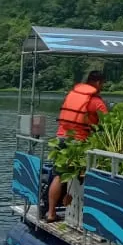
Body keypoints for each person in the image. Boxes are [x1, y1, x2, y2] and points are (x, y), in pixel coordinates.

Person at [45, 70, 107, 222]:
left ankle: (51, 213)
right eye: (103, 84)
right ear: (98, 83)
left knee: (59, 176)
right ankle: (82, 216)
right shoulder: (95, 101)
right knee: (82, 176)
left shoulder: (72, 94)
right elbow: (107, 123)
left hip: (61, 137)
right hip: (78, 143)